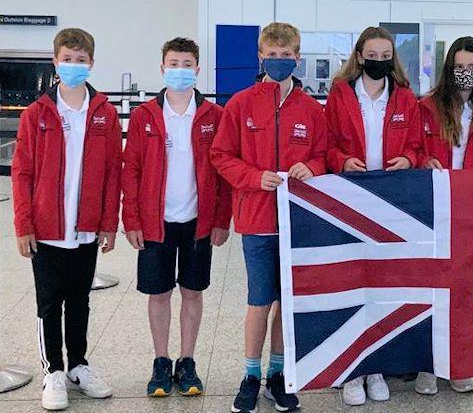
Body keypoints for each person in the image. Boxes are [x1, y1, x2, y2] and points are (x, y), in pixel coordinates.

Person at [211, 23, 326, 413]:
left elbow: (324, 156)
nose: (279, 61)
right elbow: (221, 156)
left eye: (286, 54)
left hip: (297, 223)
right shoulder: (241, 104)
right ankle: (250, 375)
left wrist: (310, 166)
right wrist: (254, 178)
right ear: (260, 57)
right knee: (260, 300)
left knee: (287, 304)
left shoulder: (311, 110)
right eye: (272, 55)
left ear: (298, 55)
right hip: (257, 221)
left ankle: (278, 375)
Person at [12, 28, 121, 411]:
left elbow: (113, 172)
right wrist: (23, 226)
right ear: (55, 62)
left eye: (81, 59)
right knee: (48, 304)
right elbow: (22, 173)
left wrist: (110, 223)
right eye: (67, 58)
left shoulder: (105, 113)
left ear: (91, 62)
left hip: (86, 228)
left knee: (80, 302)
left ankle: (78, 365)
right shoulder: (37, 114)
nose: (74, 65)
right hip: (45, 228)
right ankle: (53, 371)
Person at [122, 37, 232, 398]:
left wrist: (221, 219)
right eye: (174, 63)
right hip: (156, 222)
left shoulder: (214, 117)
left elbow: (222, 171)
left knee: (192, 291)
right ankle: (160, 361)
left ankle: (187, 360)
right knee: (158, 293)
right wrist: (133, 220)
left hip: (198, 222)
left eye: (187, 64)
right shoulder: (144, 116)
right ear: (162, 68)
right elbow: (131, 170)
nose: (180, 70)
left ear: (197, 70)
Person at [324, 26, 422, 406]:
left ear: (391, 58)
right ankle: (352, 369)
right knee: (353, 283)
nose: (378, 61)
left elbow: (416, 144)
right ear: (359, 55)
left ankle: (377, 364)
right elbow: (327, 142)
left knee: (384, 287)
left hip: (391, 201)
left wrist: (409, 158)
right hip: (351, 196)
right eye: (372, 54)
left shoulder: (406, 98)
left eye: (386, 55)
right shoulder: (340, 94)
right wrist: (340, 160)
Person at [415, 36, 473, 395]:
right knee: (431, 286)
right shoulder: (428, 107)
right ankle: (428, 364)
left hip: (472, 212)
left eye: (471, 67)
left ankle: (459, 363)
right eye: (459, 67)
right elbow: (414, 148)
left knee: (465, 289)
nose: (465, 74)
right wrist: (423, 160)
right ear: (449, 68)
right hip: (435, 207)